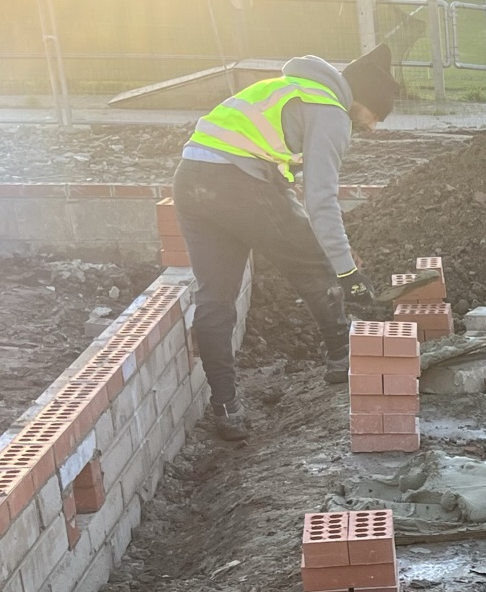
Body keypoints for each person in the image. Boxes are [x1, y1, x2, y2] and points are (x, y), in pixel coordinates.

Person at [171, 44, 400, 441]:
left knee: (215, 297)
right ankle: (341, 359)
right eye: (375, 115)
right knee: (315, 263)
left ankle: (226, 408)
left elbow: (270, 171)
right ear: (361, 99)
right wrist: (346, 271)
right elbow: (321, 200)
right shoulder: (331, 112)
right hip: (236, 183)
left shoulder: (290, 88)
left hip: (191, 180)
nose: (373, 126)